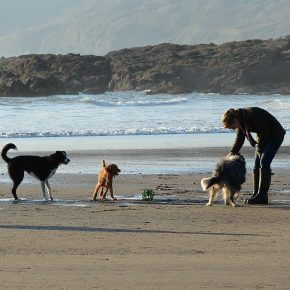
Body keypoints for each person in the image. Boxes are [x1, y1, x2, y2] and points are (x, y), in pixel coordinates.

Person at [222, 107, 285, 205]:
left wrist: (260, 149)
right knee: (256, 165)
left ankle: (262, 195)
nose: (234, 129)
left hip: (275, 135)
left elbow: (265, 131)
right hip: (264, 137)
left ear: (235, 119)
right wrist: (232, 152)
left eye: (232, 126)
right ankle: (256, 193)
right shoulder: (241, 120)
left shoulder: (252, 115)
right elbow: (240, 138)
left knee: (264, 162)